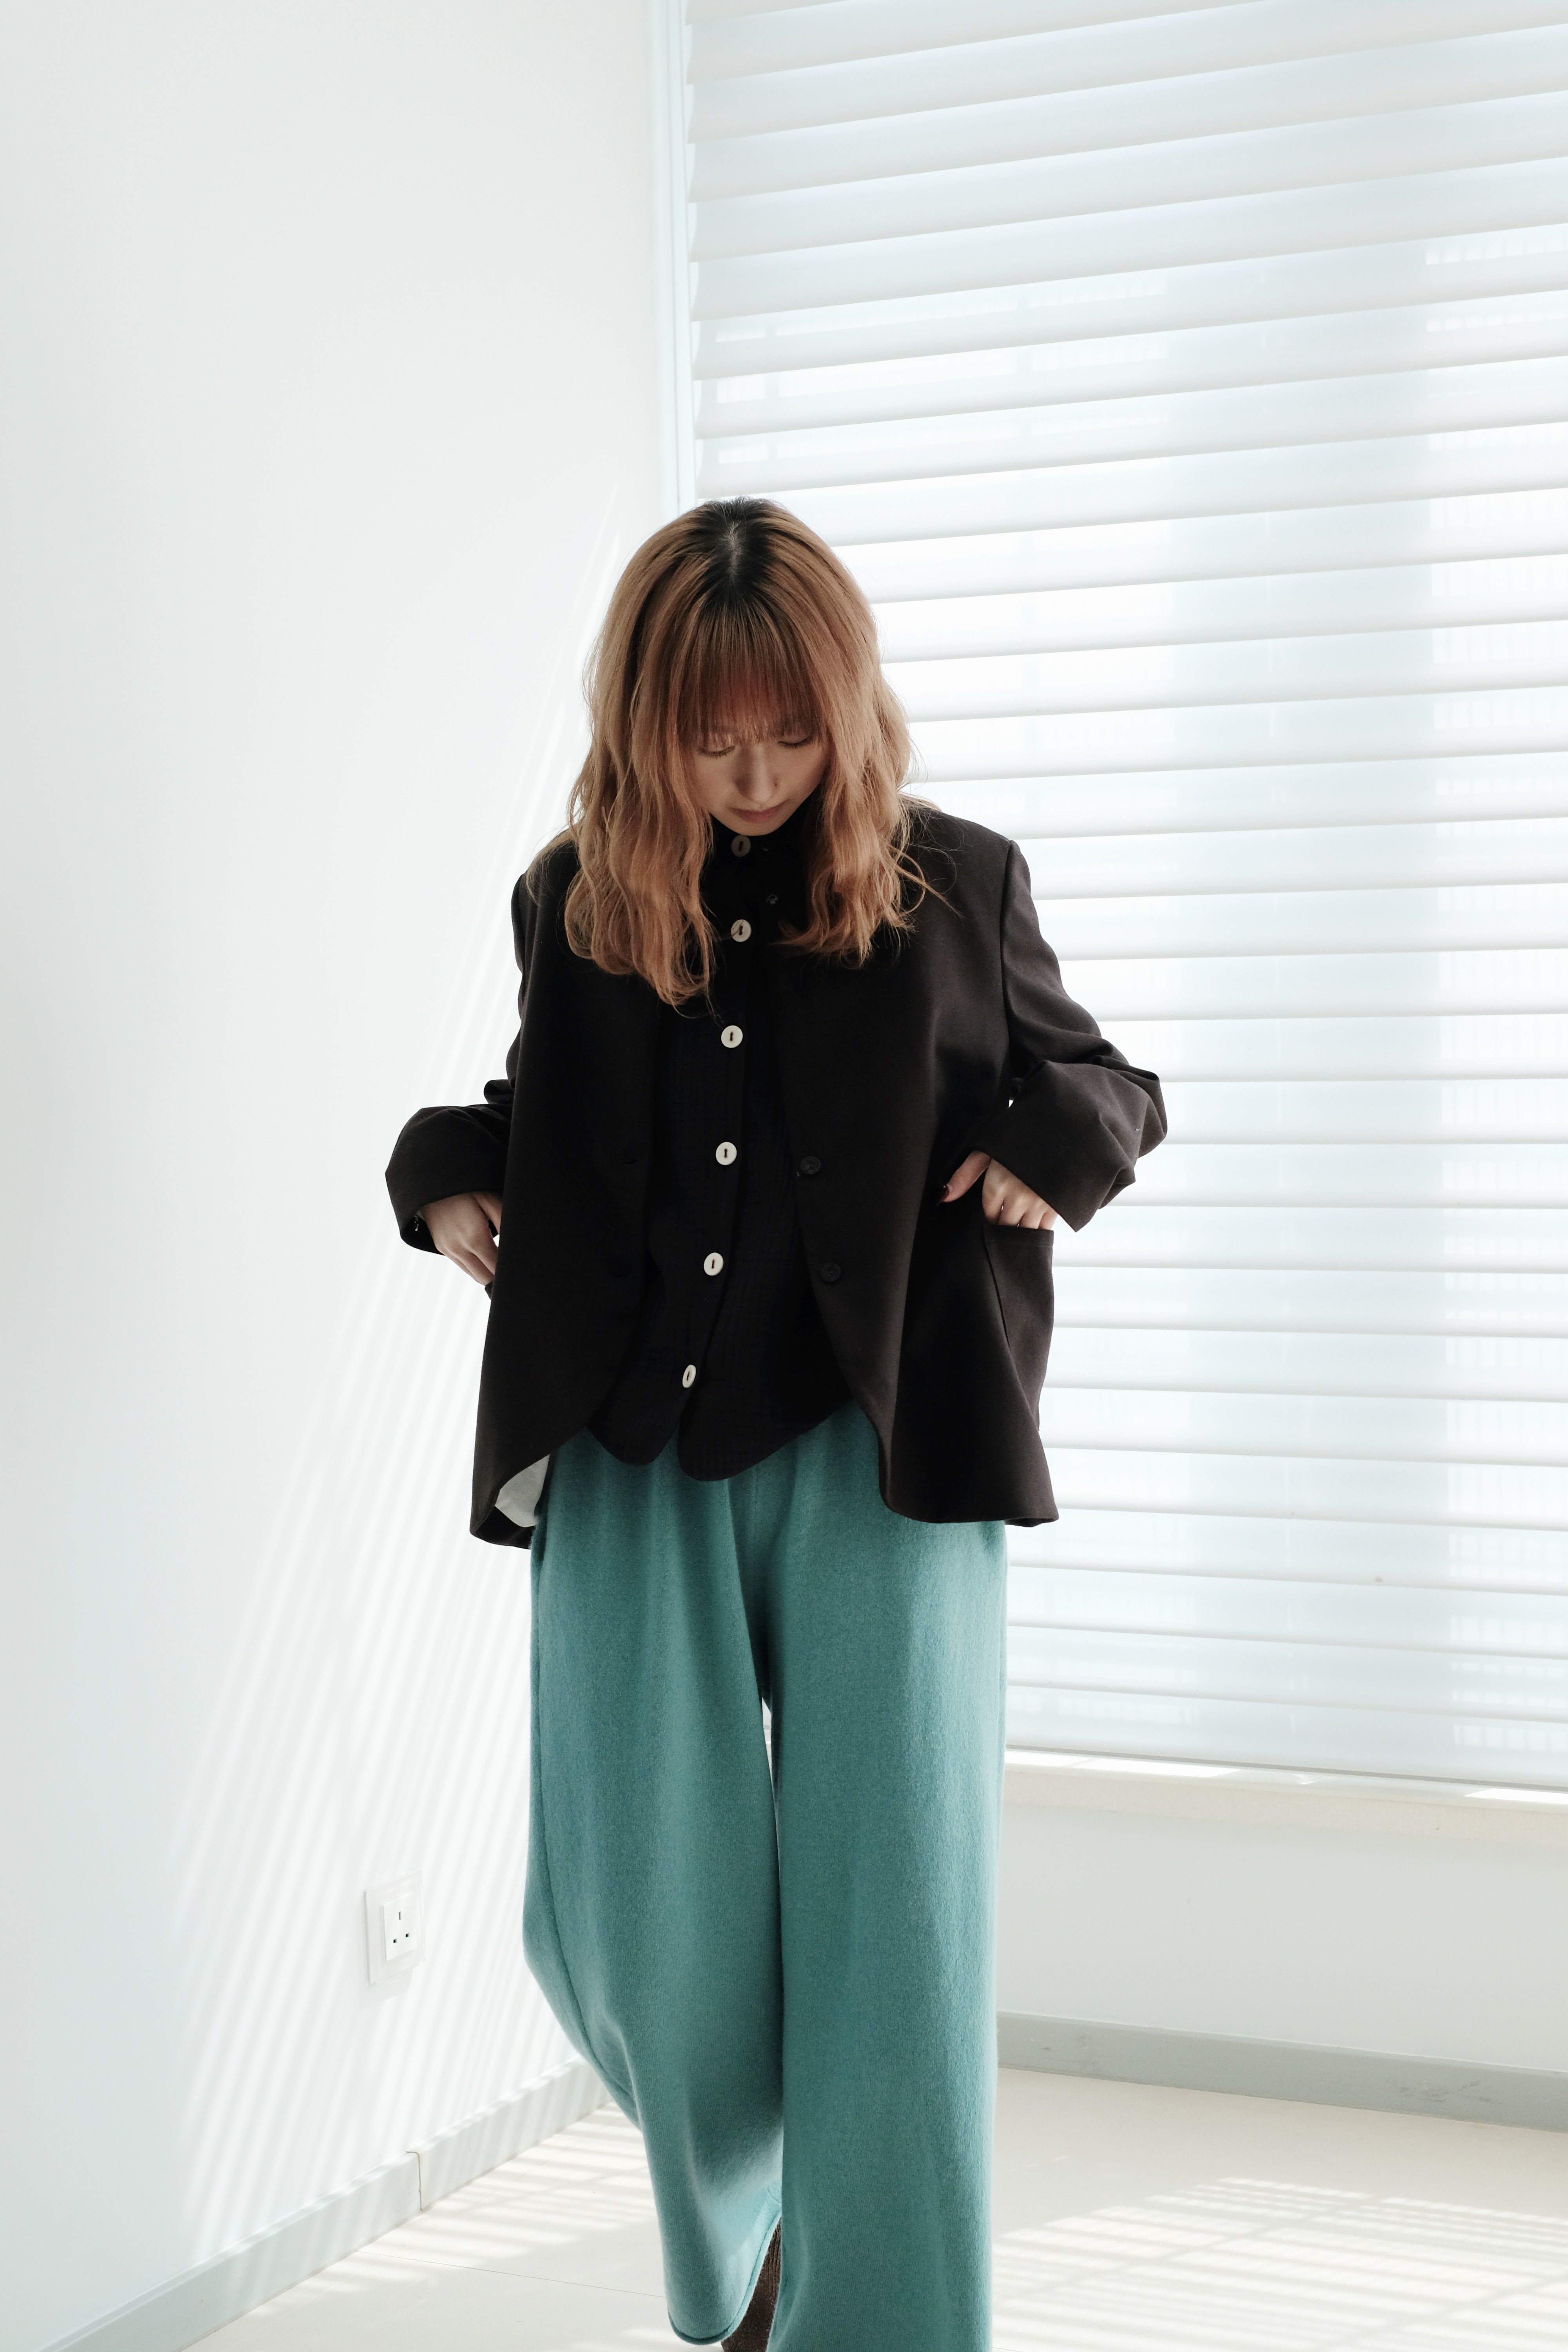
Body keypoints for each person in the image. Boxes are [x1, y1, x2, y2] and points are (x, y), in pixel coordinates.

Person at [385, 498, 1165, 2351]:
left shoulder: (954, 884)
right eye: (710, 739)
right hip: (633, 1445)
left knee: (895, 1932)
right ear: (644, 724)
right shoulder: (574, 899)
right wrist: (440, 1167)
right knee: (630, 1919)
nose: (752, 776)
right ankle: (751, 2243)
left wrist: (1053, 1151)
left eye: (790, 734)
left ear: (847, 708)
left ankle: (879, 2317)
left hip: (888, 1453)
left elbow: (1104, 1083)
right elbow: (556, 1115)